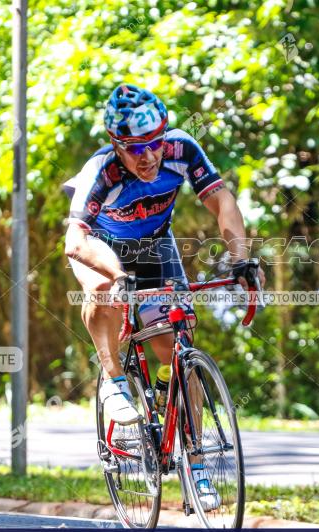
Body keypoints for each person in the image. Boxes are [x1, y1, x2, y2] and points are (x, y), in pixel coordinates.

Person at [63, 84, 264, 510]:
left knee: (177, 342)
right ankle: (115, 381)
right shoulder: (101, 171)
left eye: (155, 143)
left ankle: (195, 464)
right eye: (136, 149)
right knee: (102, 291)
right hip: (101, 247)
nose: (149, 156)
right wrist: (117, 275)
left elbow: (221, 200)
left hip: (154, 245)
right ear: (117, 145)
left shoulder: (182, 150)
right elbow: (74, 241)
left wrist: (241, 259)